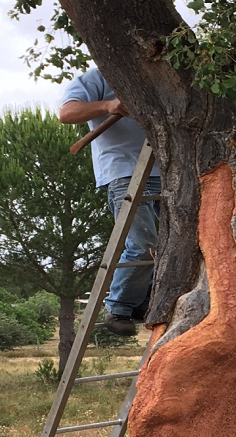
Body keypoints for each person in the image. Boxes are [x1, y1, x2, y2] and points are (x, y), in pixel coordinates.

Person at [60, 68, 161, 336]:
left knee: (173, 247)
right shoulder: (98, 78)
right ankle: (118, 306)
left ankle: (140, 302)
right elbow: (67, 114)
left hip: (168, 169)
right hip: (124, 171)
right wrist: (109, 104)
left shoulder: (156, 75)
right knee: (144, 245)